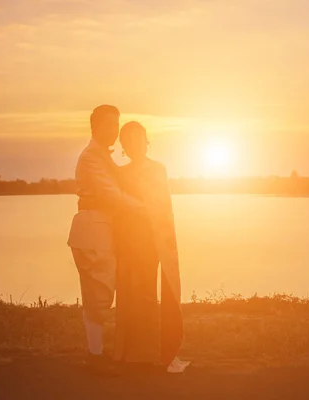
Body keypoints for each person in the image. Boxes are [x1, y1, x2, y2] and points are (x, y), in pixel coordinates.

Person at [67, 105, 145, 375]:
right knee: (98, 295)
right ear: (95, 126)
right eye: (109, 125)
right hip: (92, 230)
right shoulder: (92, 157)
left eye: (116, 125)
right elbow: (111, 193)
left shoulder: (101, 156)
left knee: (99, 294)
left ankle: (97, 353)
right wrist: (145, 208)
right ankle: (95, 356)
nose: (114, 130)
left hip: (99, 230)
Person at [113, 121, 189, 373]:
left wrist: (165, 240)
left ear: (146, 141)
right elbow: (117, 206)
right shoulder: (120, 173)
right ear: (123, 145)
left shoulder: (158, 169)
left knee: (146, 294)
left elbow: (162, 206)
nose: (136, 144)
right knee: (127, 295)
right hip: (126, 240)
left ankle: (150, 351)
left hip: (152, 239)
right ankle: (129, 350)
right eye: (129, 140)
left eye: (139, 138)